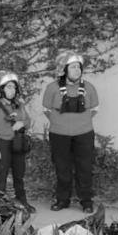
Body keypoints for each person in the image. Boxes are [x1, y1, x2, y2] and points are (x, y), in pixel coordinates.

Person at [41, 52, 100, 213]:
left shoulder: (89, 88)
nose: (77, 70)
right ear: (64, 69)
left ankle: (86, 201)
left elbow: (94, 109)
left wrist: (81, 123)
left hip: (84, 134)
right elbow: (46, 109)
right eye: (73, 67)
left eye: (78, 67)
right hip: (59, 135)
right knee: (62, 167)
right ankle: (62, 200)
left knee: (85, 168)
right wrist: (61, 123)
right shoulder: (52, 88)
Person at [0, 70, 35, 213]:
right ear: (1, 89)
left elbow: (28, 120)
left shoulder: (19, 105)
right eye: (8, 87)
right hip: (2, 144)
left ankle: (22, 201)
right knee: (1, 174)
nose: (12, 90)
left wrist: (22, 124)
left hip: (17, 143)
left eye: (14, 87)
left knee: (19, 175)